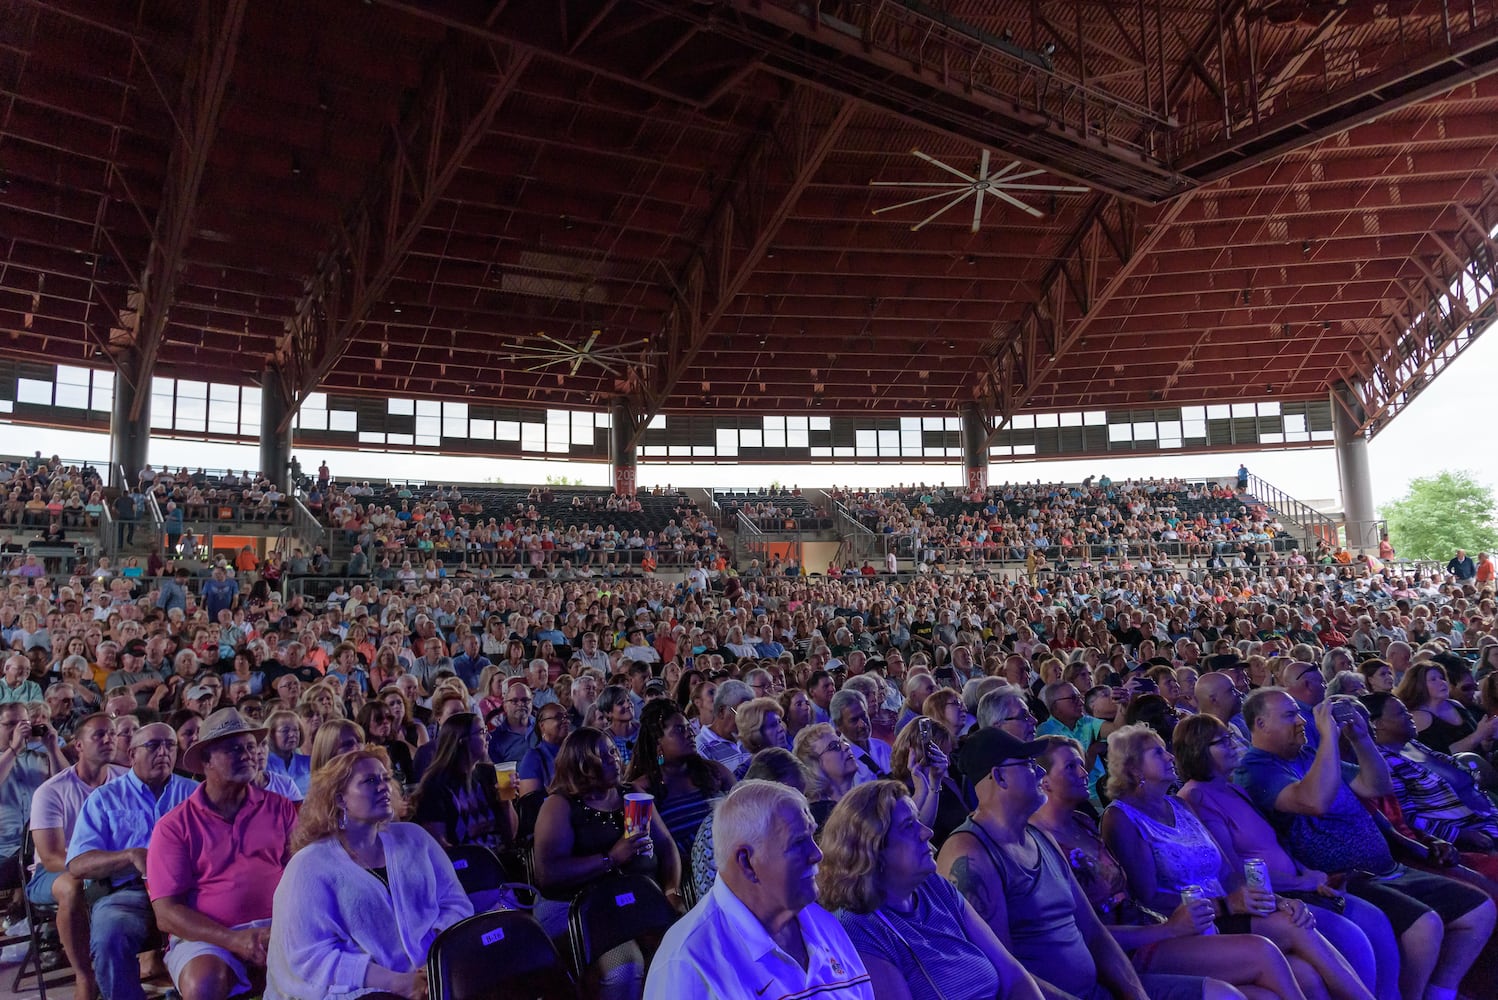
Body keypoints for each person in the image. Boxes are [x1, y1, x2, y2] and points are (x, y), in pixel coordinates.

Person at [1235, 687, 1495, 1000]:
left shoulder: (1307, 756)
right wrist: (1329, 737)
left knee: (1478, 911)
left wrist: (1360, 738)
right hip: (1344, 878)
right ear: (1261, 724)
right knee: (1424, 926)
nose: (1302, 721)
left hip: (1388, 867)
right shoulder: (1258, 768)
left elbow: (1377, 786)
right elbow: (1313, 801)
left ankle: (1438, 992)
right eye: (1290, 715)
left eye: (1299, 713)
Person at [935, 728, 1218, 1000]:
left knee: (1225, 994)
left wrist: (1136, 994)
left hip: (1099, 989)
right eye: (1028, 764)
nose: (1041, 772)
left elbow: (1094, 932)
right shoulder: (970, 853)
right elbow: (1004, 974)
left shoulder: (1040, 836)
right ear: (1000, 777)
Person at [1099, 723, 1372, 1000]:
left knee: (1305, 969)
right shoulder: (1121, 818)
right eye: (1158, 753)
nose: (1170, 757)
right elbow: (1149, 898)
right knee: (1294, 929)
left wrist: (1279, 901)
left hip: (1229, 912)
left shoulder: (1179, 805)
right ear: (1133, 769)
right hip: (1188, 927)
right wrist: (1223, 906)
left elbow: (1228, 875)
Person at [1031, 734, 1313, 1000]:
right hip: (1123, 947)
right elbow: (1091, 927)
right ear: (1043, 781)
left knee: (1288, 980)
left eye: (1082, 764)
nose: (1084, 773)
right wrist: (1174, 927)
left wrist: (1276, 898)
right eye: (1071, 767)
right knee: (1262, 953)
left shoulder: (1082, 823)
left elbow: (1226, 874)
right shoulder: (1044, 840)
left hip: (1150, 925)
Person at [1173, 713, 1397, 1000]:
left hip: (1296, 884)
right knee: (1354, 940)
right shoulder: (1196, 798)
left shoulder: (1232, 788)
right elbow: (1234, 872)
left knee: (1374, 923)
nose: (1233, 745)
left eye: (1230, 737)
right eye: (1223, 741)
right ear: (1198, 750)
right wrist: (1301, 884)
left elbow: (1276, 844)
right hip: (1270, 896)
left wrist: (1311, 876)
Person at [265, 747, 472, 1000]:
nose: (384, 786)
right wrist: (397, 982)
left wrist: (434, 956)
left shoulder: (415, 838)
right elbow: (310, 957)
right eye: (370, 781)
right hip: (358, 990)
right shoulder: (309, 865)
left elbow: (455, 902)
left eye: (386, 778)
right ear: (340, 799)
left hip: (433, 972)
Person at [645, 779, 876, 1000]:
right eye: (797, 842)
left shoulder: (824, 924)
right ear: (746, 862)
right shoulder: (689, 961)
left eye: (812, 836)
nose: (817, 854)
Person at [816, 780, 1043, 1000]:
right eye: (908, 826)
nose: (927, 832)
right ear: (873, 849)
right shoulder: (860, 929)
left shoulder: (936, 888)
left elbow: (1014, 976)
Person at [148, 708, 299, 1000]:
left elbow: (302, 875)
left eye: (251, 747)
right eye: (233, 749)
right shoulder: (174, 826)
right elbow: (166, 914)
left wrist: (284, 928)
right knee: (203, 983)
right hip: (209, 937)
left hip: (279, 926)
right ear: (206, 760)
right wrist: (233, 939)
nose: (247, 755)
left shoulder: (279, 807)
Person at [533, 727, 681, 1000]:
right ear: (580, 765)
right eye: (602, 755)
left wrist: (671, 890)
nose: (614, 758)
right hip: (576, 907)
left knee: (682, 945)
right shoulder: (560, 805)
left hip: (632, 901)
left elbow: (667, 846)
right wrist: (611, 858)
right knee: (624, 967)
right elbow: (548, 874)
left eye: (613, 751)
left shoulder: (631, 793)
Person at [66, 721, 197, 1000]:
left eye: (170, 745)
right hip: (130, 893)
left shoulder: (194, 793)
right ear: (131, 755)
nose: (163, 751)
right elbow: (77, 863)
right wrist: (129, 855)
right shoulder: (105, 798)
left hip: (190, 890)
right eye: (153, 745)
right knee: (109, 936)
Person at [28, 712, 126, 1000]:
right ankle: (85, 977)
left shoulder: (125, 780)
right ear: (78, 745)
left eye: (112, 733)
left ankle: (148, 961)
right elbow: (51, 856)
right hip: (57, 871)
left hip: (115, 864)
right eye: (99, 734)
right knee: (72, 888)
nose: (108, 739)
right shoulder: (52, 791)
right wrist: (100, 866)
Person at [626, 699, 734, 870]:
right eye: (679, 729)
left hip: (731, 863)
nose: (690, 733)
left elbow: (745, 814)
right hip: (681, 877)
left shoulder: (715, 772)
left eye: (688, 728)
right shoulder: (640, 790)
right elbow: (641, 854)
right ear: (657, 743)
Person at [411, 712, 515, 852]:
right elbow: (439, 845)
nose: (488, 737)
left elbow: (511, 835)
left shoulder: (489, 774)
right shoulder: (435, 785)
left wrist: (506, 801)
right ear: (461, 740)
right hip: (465, 865)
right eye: (481, 732)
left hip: (500, 858)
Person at [1391, 661, 1494, 756]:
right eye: (1433, 679)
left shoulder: (1456, 705)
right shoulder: (1419, 717)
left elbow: (1479, 745)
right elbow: (1442, 755)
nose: (1442, 682)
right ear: (1419, 685)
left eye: (1442, 678)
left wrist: (1486, 738)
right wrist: (1478, 735)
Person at [793, 722, 861, 830]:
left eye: (842, 742)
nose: (846, 747)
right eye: (834, 746)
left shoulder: (860, 801)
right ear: (814, 765)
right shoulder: (819, 818)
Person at [517, 701, 571, 797]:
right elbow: (529, 804)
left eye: (567, 717)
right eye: (558, 717)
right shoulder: (533, 758)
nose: (565, 721)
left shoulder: (575, 751)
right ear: (542, 726)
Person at [262, 709, 312, 796]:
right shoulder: (263, 765)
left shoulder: (309, 763)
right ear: (271, 734)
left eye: (296, 730)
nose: (292, 734)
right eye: (285, 731)